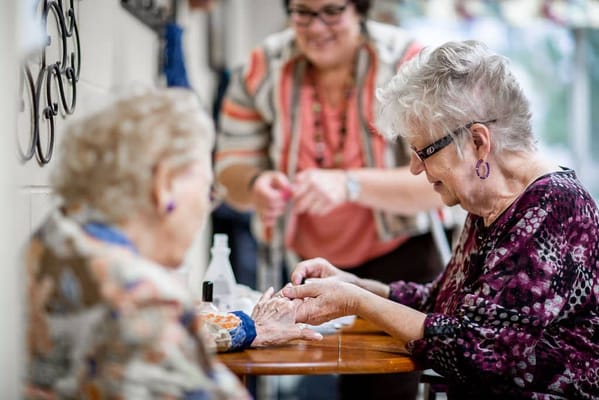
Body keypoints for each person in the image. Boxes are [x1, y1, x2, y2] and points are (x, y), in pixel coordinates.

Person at [282, 40, 599, 399]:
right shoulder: (488, 204)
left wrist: (356, 301)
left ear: (479, 142)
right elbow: (440, 304)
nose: (416, 168)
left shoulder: (553, 205)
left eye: (423, 152)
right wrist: (354, 285)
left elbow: (479, 350)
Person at [23, 88, 322, 399]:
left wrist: (247, 327)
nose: (206, 208)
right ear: (166, 184)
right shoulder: (142, 296)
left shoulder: (50, 243)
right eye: (208, 192)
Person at [216, 1, 448, 397]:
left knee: (384, 388)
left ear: (360, 10)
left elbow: (441, 183)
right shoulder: (262, 66)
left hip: (400, 260)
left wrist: (349, 185)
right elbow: (228, 172)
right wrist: (256, 184)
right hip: (307, 265)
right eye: (303, 13)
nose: (316, 26)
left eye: (331, 11)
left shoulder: (407, 62)